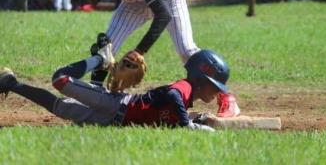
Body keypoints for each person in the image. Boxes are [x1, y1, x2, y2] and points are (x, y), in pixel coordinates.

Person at [88, 0, 240, 117]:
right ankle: (94, 97)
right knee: (106, 49)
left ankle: (227, 98)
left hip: (169, 0)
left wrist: (139, 51)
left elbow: (163, 15)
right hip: (134, 3)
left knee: (187, 51)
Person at [0, 49, 231, 131]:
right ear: (200, 78)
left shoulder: (188, 100)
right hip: (117, 104)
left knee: (61, 108)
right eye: (215, 86)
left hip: (113, 122)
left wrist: (195, 119)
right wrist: (187, 124)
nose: (217, 92)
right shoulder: (185, 87)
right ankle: (98, 59)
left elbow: (165, 116)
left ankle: (10, 83)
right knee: (60, 80)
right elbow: (172, 95)